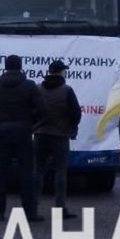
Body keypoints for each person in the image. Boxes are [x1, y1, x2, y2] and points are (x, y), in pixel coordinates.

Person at [0, 54, 46, 221]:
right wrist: (31, 125)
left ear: (6, 66)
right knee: (27, 173)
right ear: (20, 66)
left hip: (4, 132)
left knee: (1, 172)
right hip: (24, 131)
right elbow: (41, 110)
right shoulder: (29, 85)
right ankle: (29, 212)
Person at [33, 59, 82, 218]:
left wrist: (35, 126)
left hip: (40, 134)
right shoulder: (67, 90)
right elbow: (76, 113)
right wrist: (71, 128)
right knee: (60, 171)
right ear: (61, 72)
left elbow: (32, 110)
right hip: (60, 136)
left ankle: (33, 206)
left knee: (38, 171)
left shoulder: (38, 89)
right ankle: (60, 207)